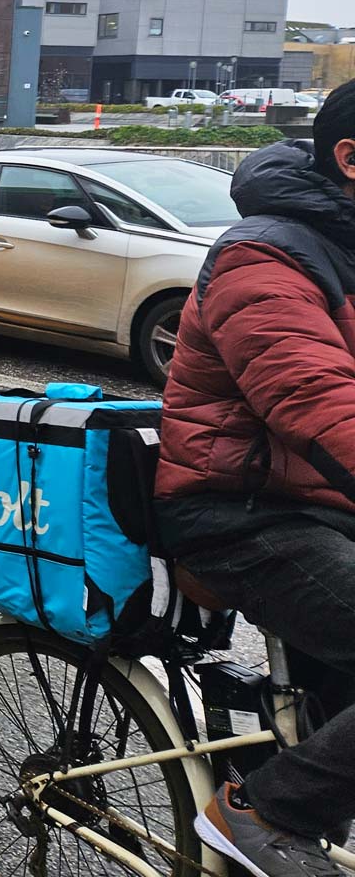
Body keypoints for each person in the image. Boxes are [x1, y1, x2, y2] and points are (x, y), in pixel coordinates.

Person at [156, 78, 355, 876]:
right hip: (237, 512)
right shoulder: (263, 255)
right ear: (350, 159)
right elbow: (314, 400)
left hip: (323, 504)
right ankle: (266, 815)